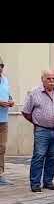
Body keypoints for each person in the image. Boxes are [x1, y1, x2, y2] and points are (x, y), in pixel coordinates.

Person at [22, 69, 54, 193]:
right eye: (48, 79)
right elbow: (26, 112)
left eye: (53, 79)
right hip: (42, 130)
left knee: (52, 157)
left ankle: (48, 181)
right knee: (39, 156)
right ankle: (35, 183)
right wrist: (37, 122)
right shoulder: (34, 93)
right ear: (42, 79)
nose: (51, 81)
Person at [0, 56, 14, 186]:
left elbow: (8, 94)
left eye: (1, 66)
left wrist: (10, 101)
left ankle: (0, 175)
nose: (0, 68)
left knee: (2, 147)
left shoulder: (5, 79)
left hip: (3, 119)